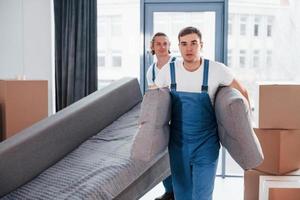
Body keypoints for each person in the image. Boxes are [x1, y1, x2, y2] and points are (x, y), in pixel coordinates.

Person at [154, 26, 249, 200]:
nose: (188, 48)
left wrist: (246, 127)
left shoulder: (216, 69)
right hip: (178, 145)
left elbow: (242, 92)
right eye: (184, 44)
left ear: (201, 45)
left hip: (206, 145)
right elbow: (153, 99)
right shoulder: (168, 70)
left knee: (202, 196)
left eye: (193, 43)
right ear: (179, 46)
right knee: (182, 195)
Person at [146, 32, 176, 200]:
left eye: (165, 43)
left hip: (179, 112)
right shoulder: (151, 70)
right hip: (162, 116)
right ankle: (170, 191)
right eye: (158, 44)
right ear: (153, 47)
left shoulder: (177, 64)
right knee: (163, 154)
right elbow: (153, 95)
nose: (162, 47)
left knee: (179, 153)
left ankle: (183, 191)